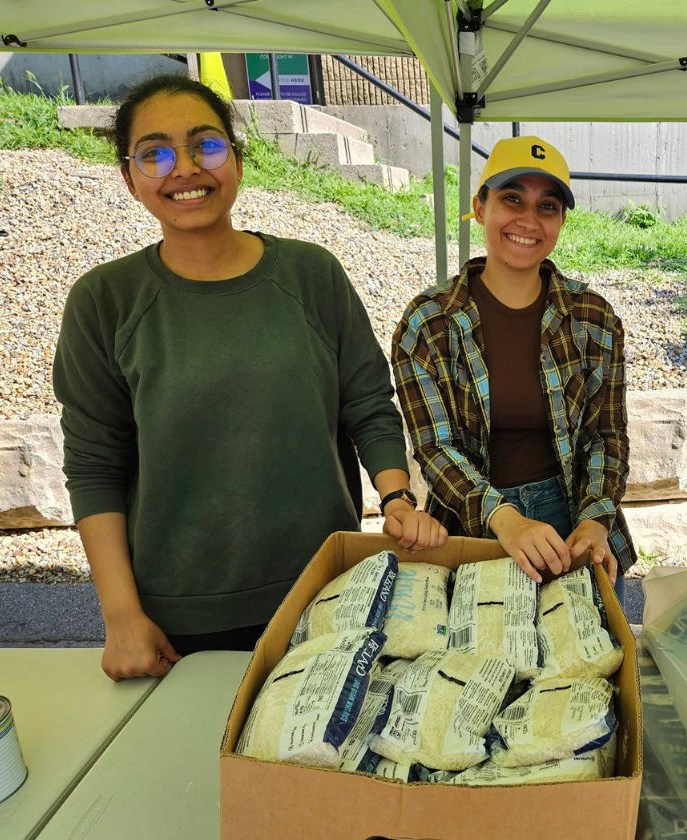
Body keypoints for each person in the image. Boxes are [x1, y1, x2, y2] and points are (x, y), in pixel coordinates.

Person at [53, 75, 445, 681]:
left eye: (205, 145)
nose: (184, 168)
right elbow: (95, 467)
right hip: (180, 618)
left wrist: (395, 496)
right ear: (130, 178)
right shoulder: (105, 301)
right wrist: (121, 616)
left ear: (236, 159)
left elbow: (367, 402)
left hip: (323, 592)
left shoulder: (312, 274)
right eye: (154, 153)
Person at [391, 136, 634, 603]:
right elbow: (434, 447)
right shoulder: (429, 323)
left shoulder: (594, 318)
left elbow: (608, 436)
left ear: (561, 221)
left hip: (574, 519)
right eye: (512, 199)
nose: (528, 220)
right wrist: (505, 518)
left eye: (547, 206)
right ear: (480, 208)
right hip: (470, 522)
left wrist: (594, 518)